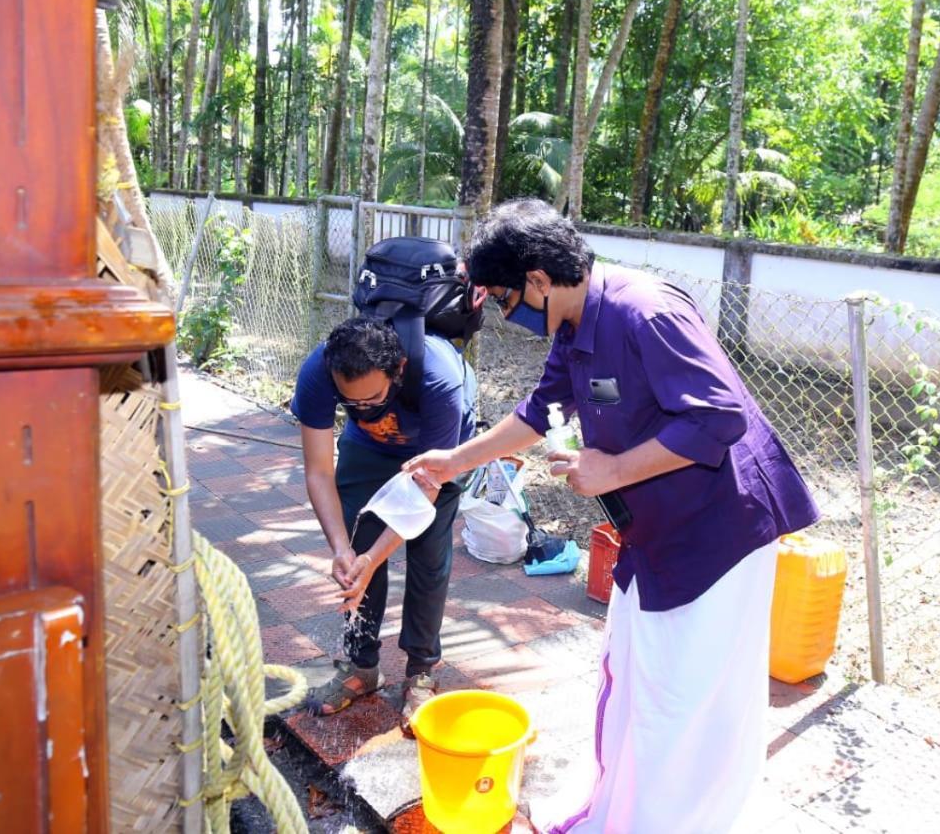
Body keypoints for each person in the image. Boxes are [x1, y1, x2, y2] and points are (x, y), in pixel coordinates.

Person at [405, 199, 819, 832]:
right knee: (638, 675)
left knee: (685, 697)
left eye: (507, 301)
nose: (509, 316)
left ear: (539, 281)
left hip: (720, 532)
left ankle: (678, 819)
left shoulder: (642, 311)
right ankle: (625, 805)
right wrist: (453, 461)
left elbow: (719, 416)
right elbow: (540, 409)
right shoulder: (575, 326)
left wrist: (613, 471)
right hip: (657, 531)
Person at [291, 315, 476, 727]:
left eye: (372, 399)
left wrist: (376, 557)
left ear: (398, 372)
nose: (362, 408)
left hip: (436, 451)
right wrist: (345, 550)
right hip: (369, 447)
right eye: (350, 403)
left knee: (428, 556)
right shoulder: (318, 371)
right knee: (357, 544)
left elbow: (424, 492)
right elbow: (319, 471)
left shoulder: (439, 380)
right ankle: (361, 667)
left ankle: (421, 672)